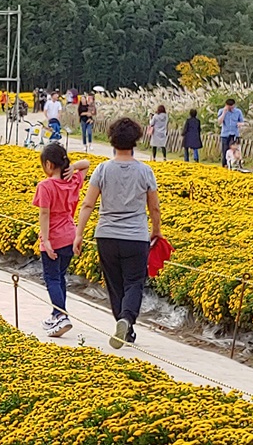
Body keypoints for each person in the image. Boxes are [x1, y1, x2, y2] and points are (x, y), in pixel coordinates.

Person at [74, 118, 161, 349]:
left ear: (112, 140)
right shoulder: (145, 171)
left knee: (114, 284)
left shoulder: (103, 169)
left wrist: (79, 234)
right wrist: (156, 230)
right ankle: (126, 319)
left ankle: (125, 326)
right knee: (134, 282)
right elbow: (154, 206)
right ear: (136, 141)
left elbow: (88, 205)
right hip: (135, 237)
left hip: (107, 236)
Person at [35, 143, 89, 338]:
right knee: (60, 276)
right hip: (70, 235)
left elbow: (44, 213)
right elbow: (87, 163)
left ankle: (60, 314)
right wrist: (73, 167)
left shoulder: (46, 185)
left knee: (51, 278)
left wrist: (46, 240)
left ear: (49, 165)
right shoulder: (73, 180)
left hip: (54, 237)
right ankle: (57, 313)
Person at [218, 98, 244, 168]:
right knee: (225, 151)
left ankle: (236, 165)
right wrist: (224, 112)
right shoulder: (221, 111)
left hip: (235, 134)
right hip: (225, 134)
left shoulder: (238, 112)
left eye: (232, 107)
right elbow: (219, 122)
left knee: (236, 150)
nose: (231, 109)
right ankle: (225, 165)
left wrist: (240, 124)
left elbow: (242, 122)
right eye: (229, 107)